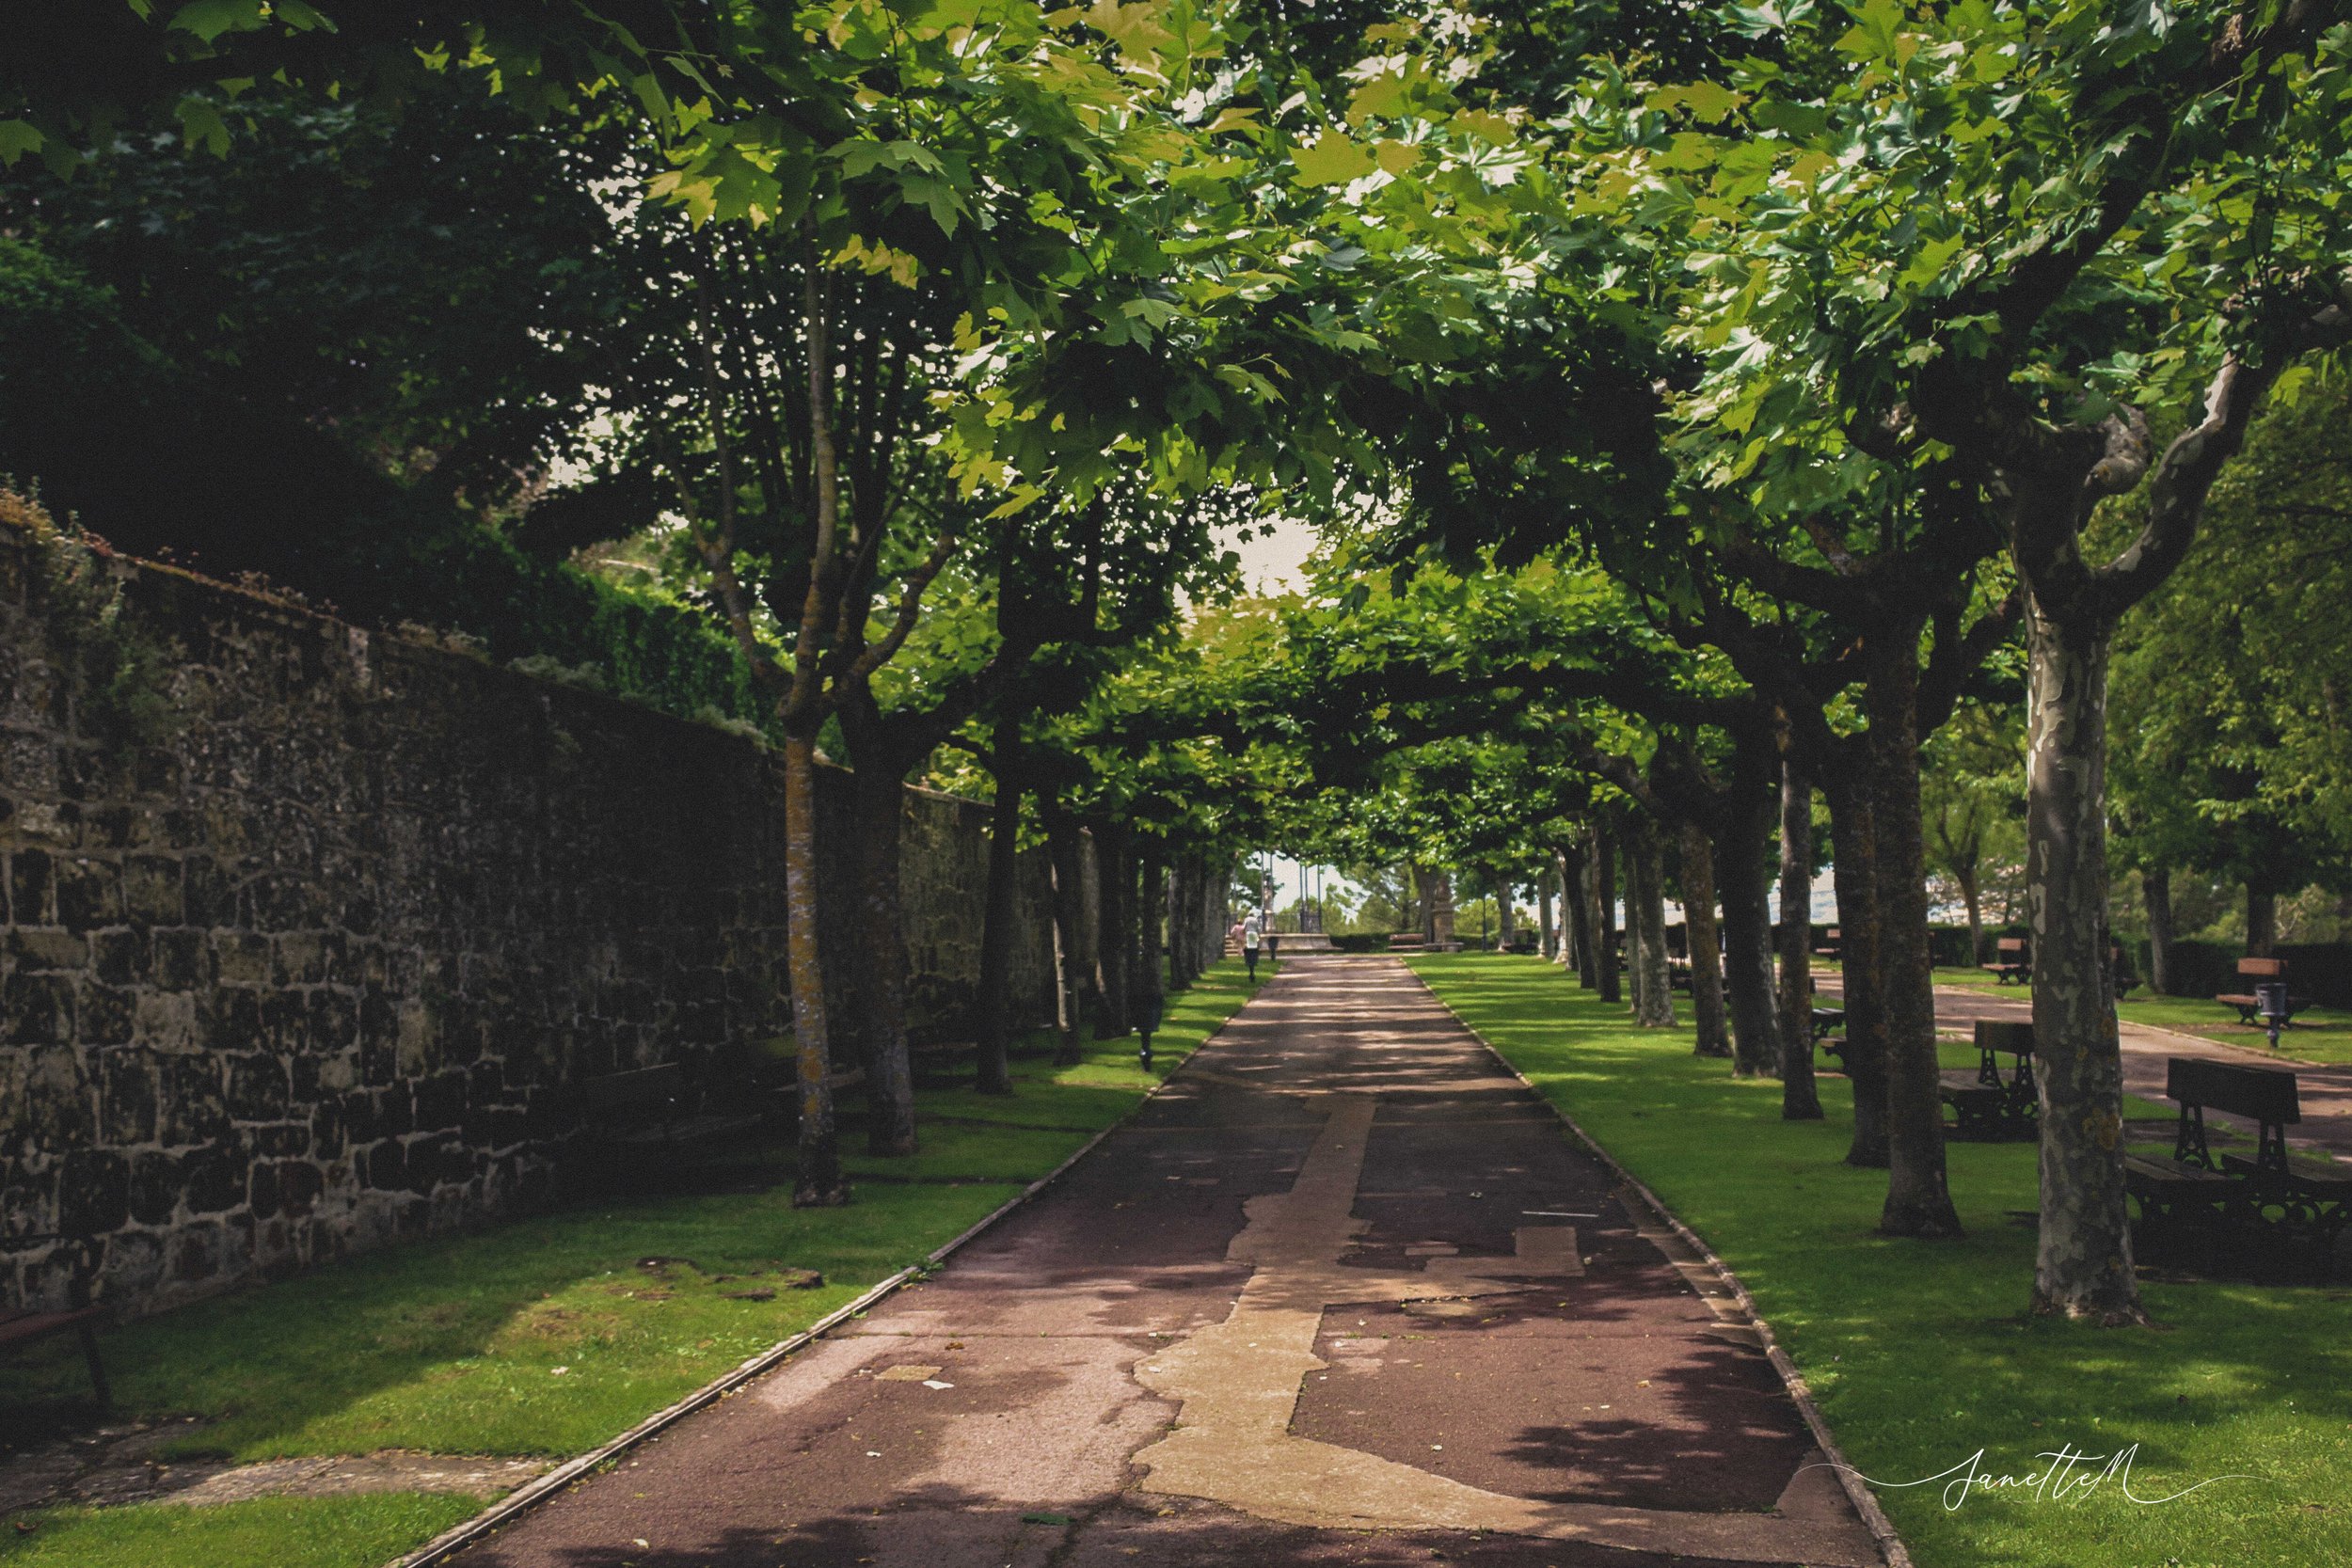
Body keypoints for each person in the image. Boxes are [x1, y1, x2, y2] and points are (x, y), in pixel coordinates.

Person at [1243, 912, 1263, 979]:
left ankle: (1250, 962)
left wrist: (1243, 932)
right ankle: (1253, 959)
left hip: (1248, 933)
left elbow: (1244, 927)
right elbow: (1258, 929)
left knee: (1249, 948)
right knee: (1254, 948)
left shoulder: (1246, 919)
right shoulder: (1255, 920)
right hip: (1254, 933)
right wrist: (1259, 936)